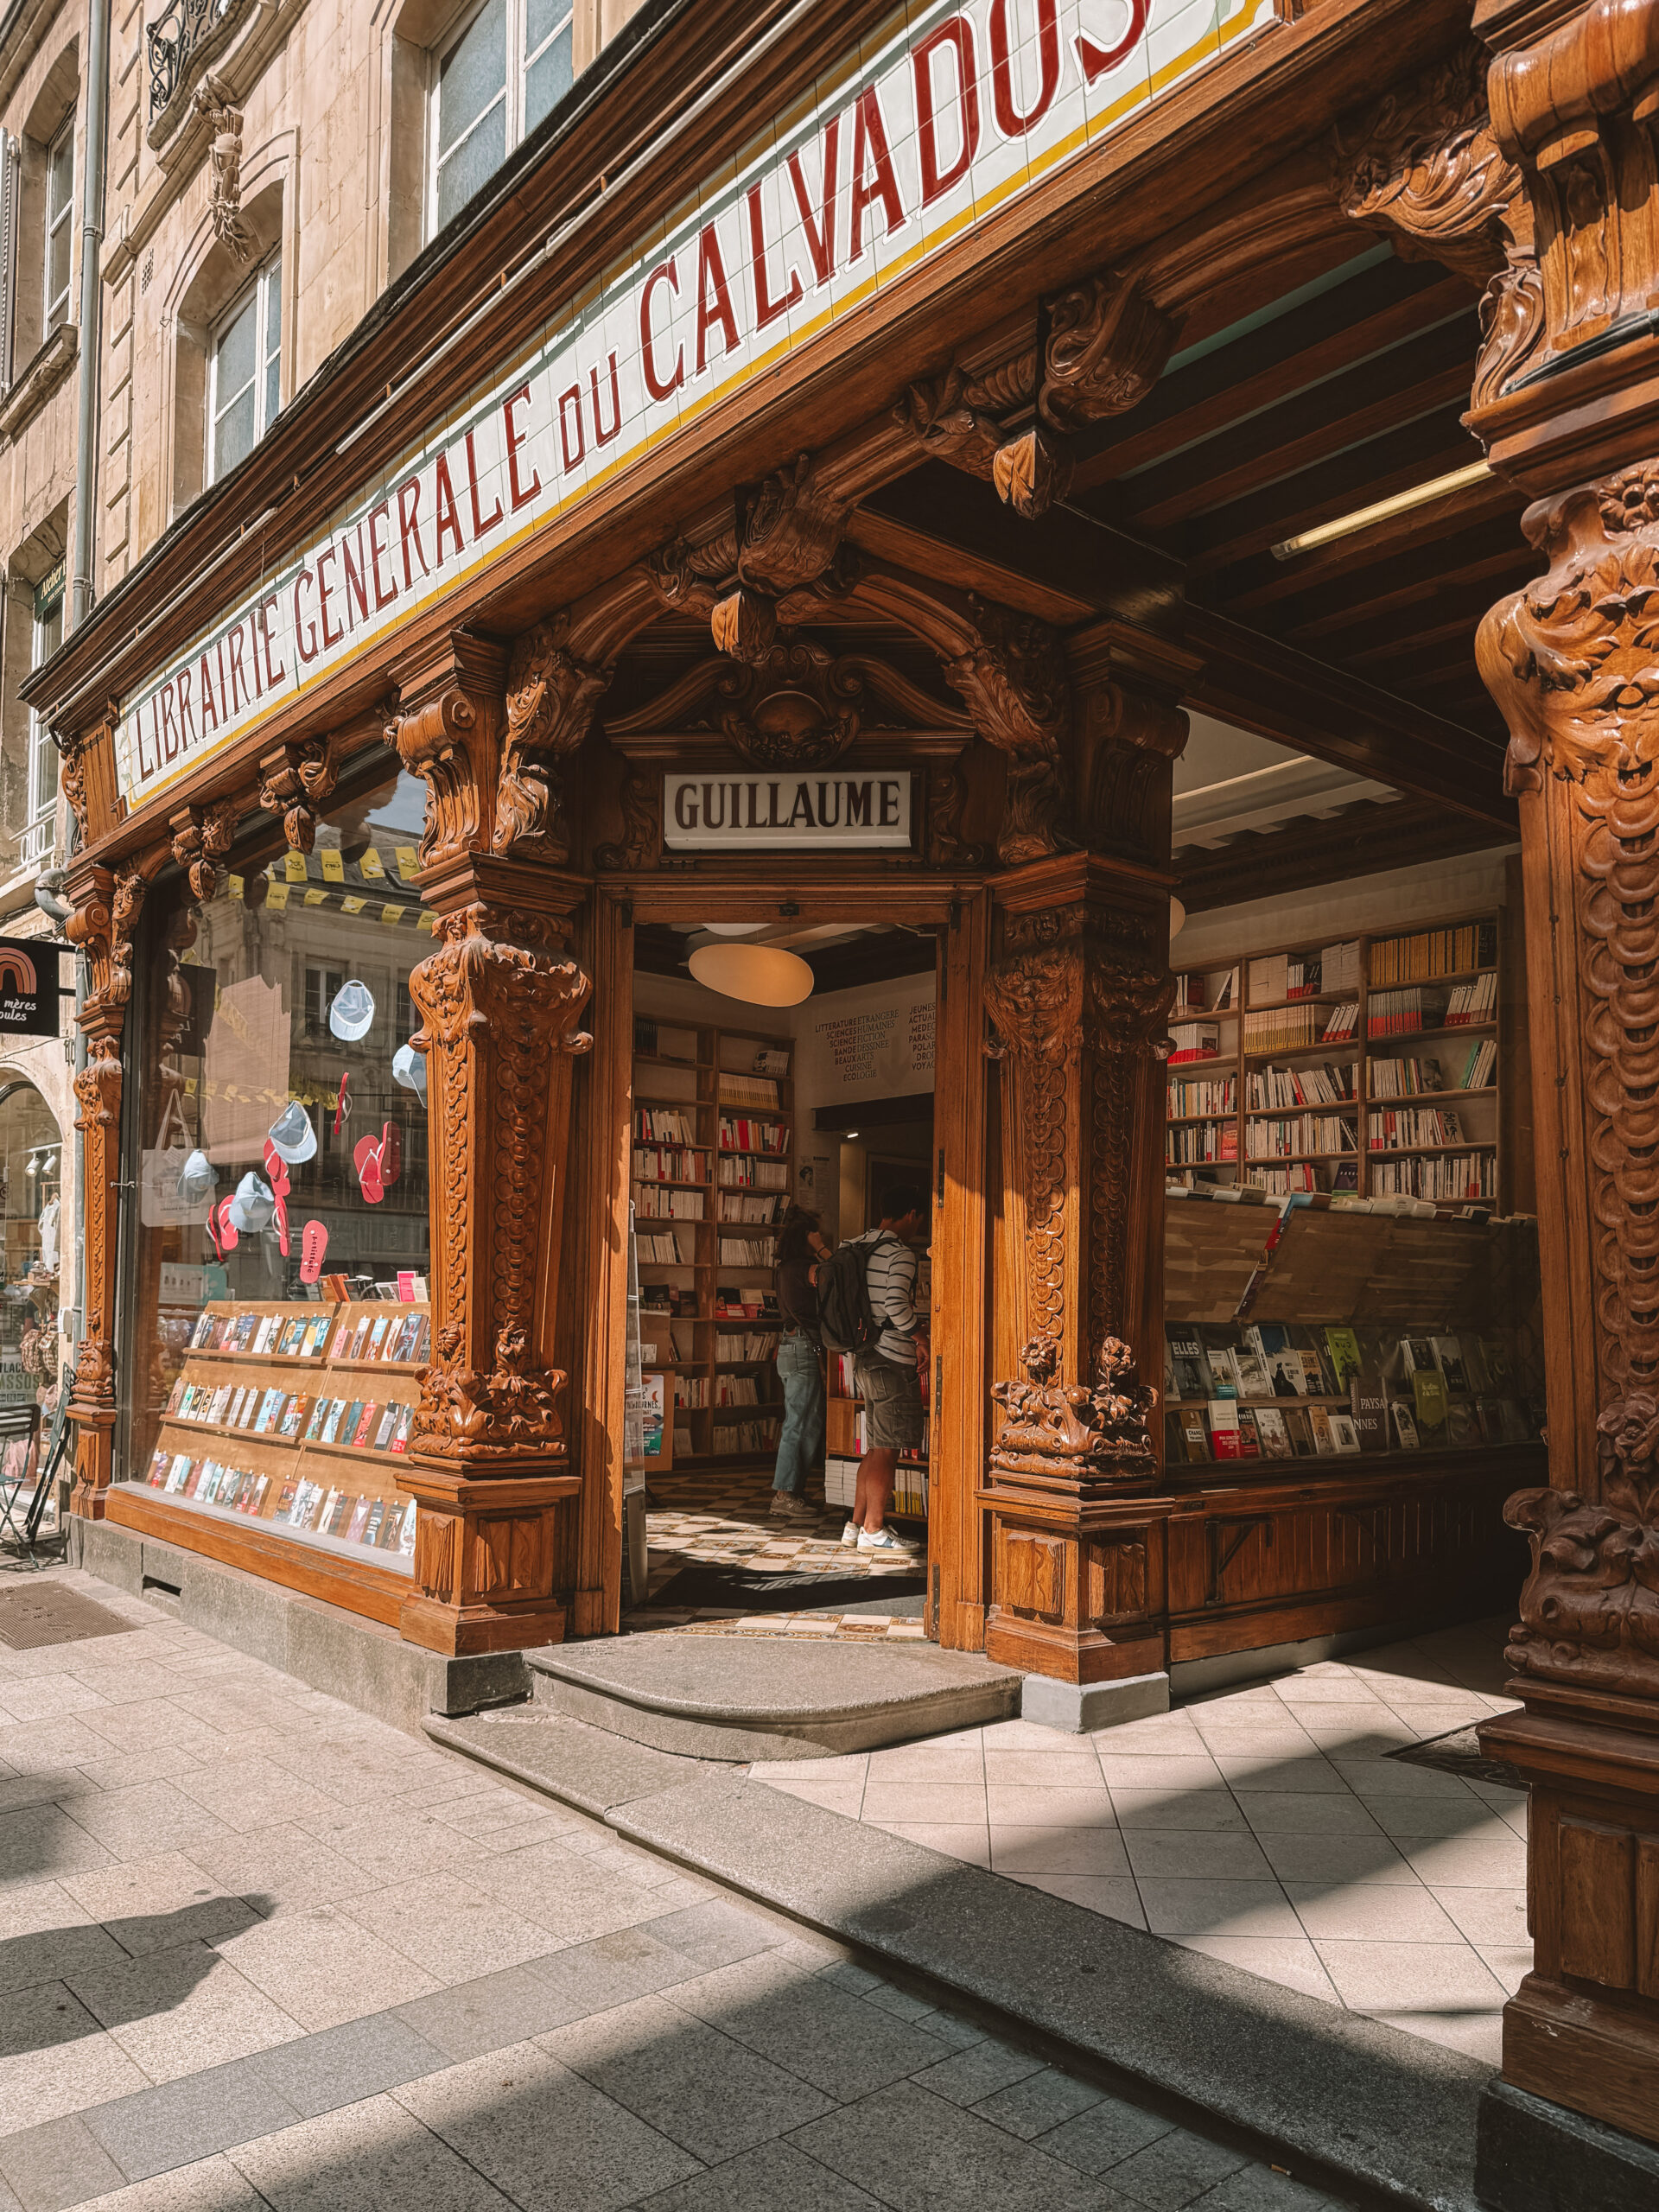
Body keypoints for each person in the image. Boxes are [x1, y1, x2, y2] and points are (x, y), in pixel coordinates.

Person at [842, 1184, 928, 1554]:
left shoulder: (853, 1246)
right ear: (911, 1215)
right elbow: (895, 1303)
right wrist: (921, 1336)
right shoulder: (900, 1252)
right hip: (891, 1358)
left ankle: (855, 1525)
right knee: (887, 1448)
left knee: (876, 1445)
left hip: (861, 1356)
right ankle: (875, 1531)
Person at [770, 1205, 829, 1523]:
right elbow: (839, 1274)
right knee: (801, 1422)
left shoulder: (784, 1268)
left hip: (792, 1346)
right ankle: (784, 1494)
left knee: (806, 1421)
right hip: (803, 1347)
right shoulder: (806, 1268)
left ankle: (792, 1490)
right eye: (816, 1233)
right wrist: (821, 1248)